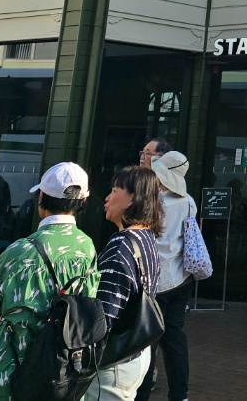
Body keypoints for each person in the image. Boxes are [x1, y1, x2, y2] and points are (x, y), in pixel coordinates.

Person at [0, 162, 99, 401]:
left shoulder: (22, 250)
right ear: (81, 201)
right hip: (63, 369)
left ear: (41, 197)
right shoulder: (87, 247)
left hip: (11, 365)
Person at [88, 166, 163, 401]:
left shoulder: (122, 245)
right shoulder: (146, 238)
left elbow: (105, 315)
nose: (107, 198)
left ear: (132, 198)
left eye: (114, 191)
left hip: (114, 362)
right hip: (136, 353)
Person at [136, 151, 198, 401]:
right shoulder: (189, 202)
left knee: (147, 341)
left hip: (155, 279)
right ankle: (179, 394)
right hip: (181, 278)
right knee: (174, 337)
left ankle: (141, 394)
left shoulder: (154, 202)